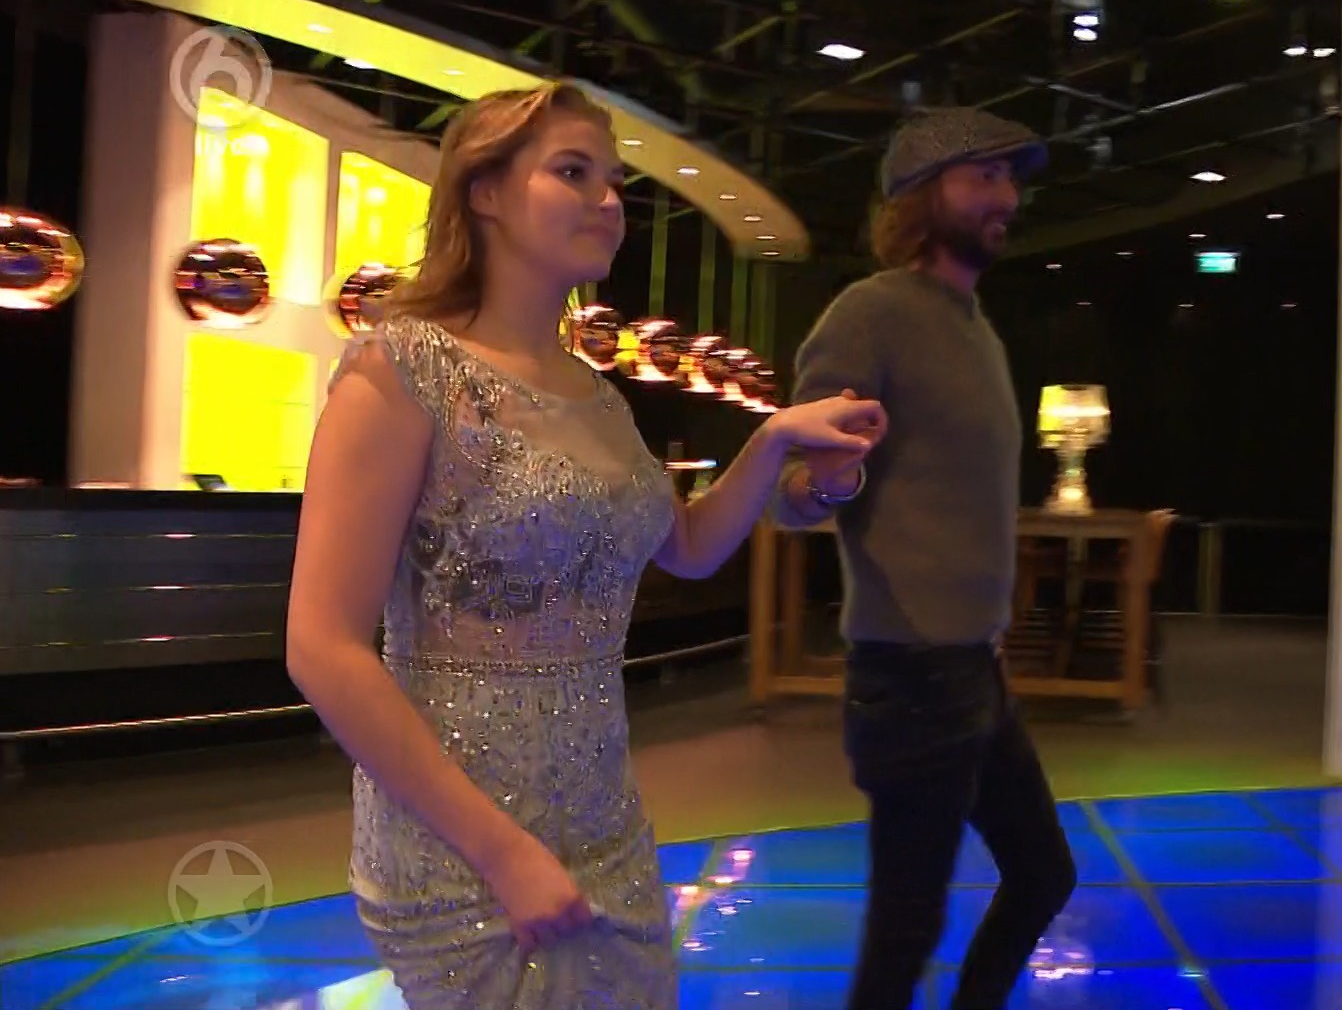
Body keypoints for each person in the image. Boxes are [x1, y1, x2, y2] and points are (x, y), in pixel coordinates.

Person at [285, 81, 886, 1009]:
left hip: (607, 831)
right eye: (573, 172)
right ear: (486, 191)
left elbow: (687, 545)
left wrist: (772, 443)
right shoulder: (401, 371)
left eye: (614, 182)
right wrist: (502, 851)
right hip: (463, 854)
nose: (608, 200)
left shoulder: (596, 395)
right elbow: (322, 647)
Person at [773, 107, 1077, 1010]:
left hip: (975, 671)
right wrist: (823, 481)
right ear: (917, 195)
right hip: (909, 677)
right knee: (905, 934)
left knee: (1042, 875)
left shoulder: (976, 327)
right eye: (983, 176)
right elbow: (791, 483)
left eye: (1010, 179)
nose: (1006, 196)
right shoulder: (872, 312)